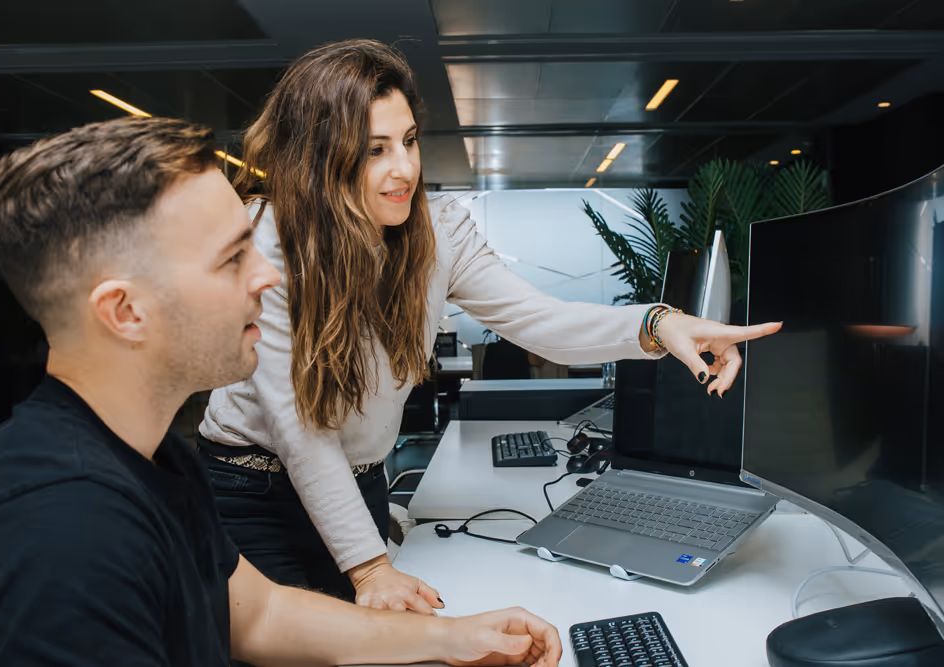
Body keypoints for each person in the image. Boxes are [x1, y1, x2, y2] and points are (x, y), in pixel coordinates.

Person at [0, 116, 562, 667]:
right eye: (232, 258)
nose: (268, 275)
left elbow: (259, 614)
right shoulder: (59, 533)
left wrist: (451, 639)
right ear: (125, 311)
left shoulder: (154, 457)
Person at [199, 38, 783, 614]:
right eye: (374, 150)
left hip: (359, 485)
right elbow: (303, 430)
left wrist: (662, 324)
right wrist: (370, 566)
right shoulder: (270, 241)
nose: (404, 168)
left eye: (407, 141)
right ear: (320, 156)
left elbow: (540, 321)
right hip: (257, 495)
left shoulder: (436, 231)